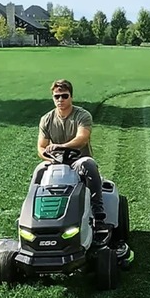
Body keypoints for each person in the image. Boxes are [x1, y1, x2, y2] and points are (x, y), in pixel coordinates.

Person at [32, 79, 106, 224]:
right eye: (57, 96)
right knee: (39, 171)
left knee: (89, 164)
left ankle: (97, 210)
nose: (60, 100)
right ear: (53, 98)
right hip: (56, 161)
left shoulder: (82, 116)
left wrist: (62, 147)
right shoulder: (46, 119)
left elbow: (82, 138)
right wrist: (48, 158)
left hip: (78, 160)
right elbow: (41, 147)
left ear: (71, 97)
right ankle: (31, 212)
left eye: (64, 96)